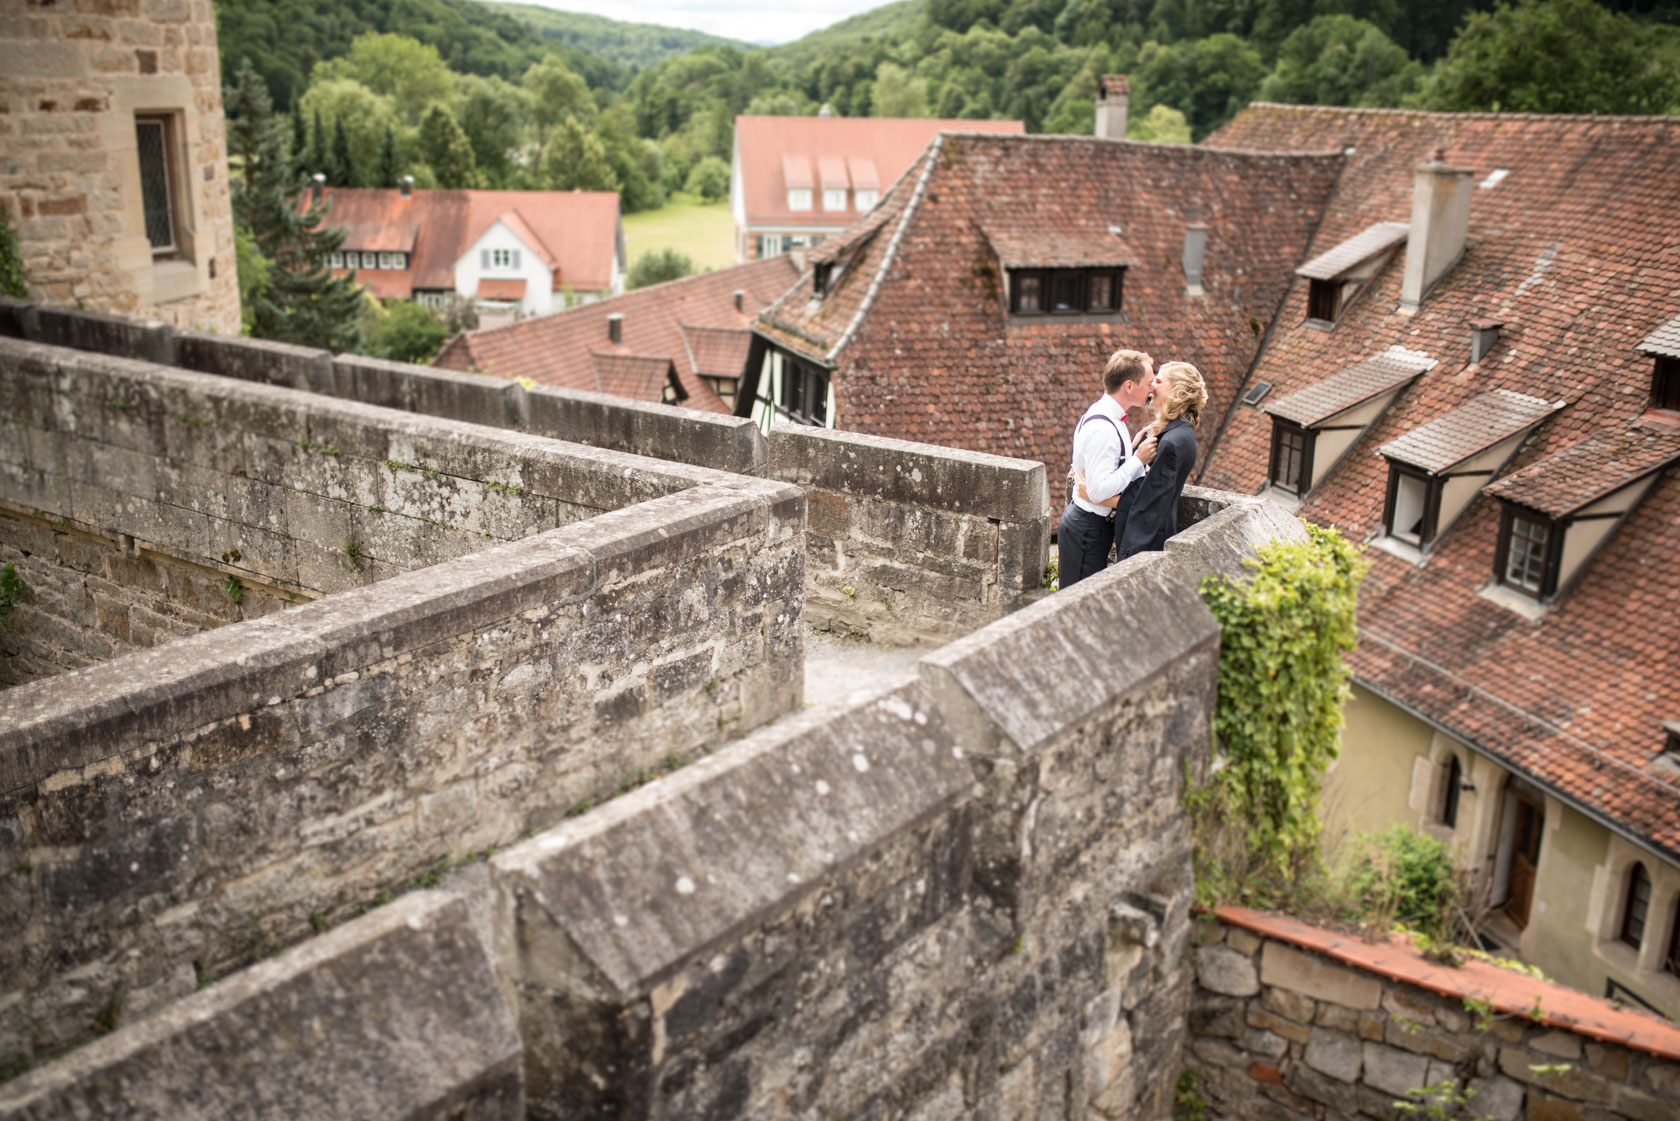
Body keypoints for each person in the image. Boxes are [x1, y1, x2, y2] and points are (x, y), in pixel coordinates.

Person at [1056, 349, 1158, 588]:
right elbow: (1099, 490)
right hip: (1087, 529)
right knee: (1079, 605)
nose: (1152, 388)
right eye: (1149, 382)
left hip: (1090, 527)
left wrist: (1129, 453)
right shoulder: (1104, 428)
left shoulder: (1109, 415)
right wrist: (1138, 460)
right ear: (1129, 386)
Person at [1112, 361, 1208, 559]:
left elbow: (1149, 505)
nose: (1152, 386)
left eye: (1159, 381)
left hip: (1145, 543)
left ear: (1177, 391)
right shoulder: (1177, 431)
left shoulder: (1171, 442)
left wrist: (1094, 496)